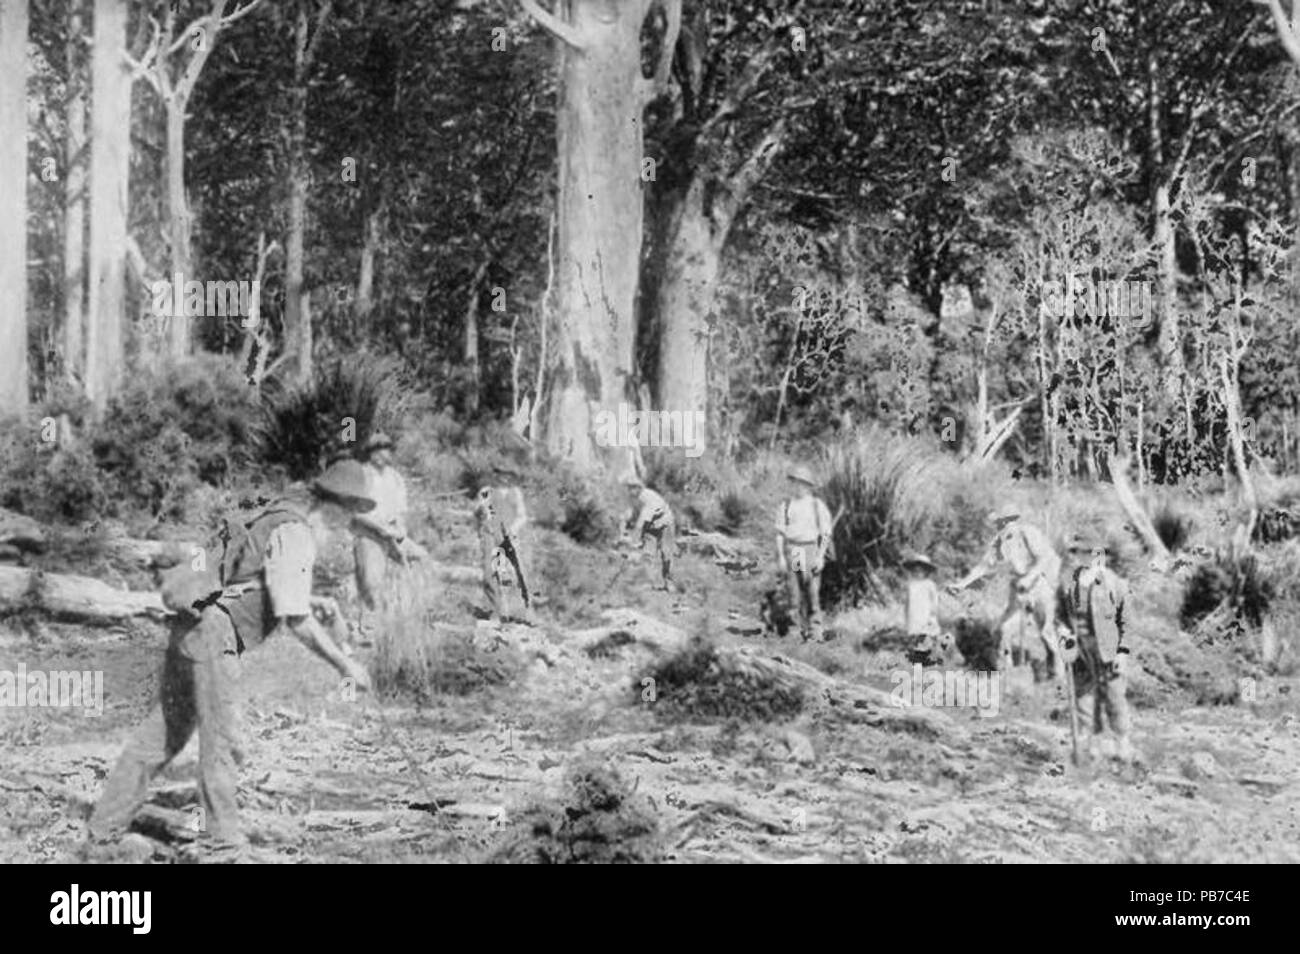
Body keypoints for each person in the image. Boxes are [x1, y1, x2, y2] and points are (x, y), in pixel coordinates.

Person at [86, 460, 375, 861]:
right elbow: (297, 620)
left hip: (192, 626)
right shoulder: (297, 533)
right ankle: (222, 845)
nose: (349, 524)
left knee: (161, 735)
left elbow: (257, 582)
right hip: (214, 636)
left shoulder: (279, 514)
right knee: (221, 742)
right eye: (351, 512)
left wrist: (318, 598)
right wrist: (346, 665)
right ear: (337, 506)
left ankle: (101, 834)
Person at [949, 503, 1063, 679]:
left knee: (1047, 631)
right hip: (1017, 587)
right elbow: (983, 566)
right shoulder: (998, 543)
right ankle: (1006, 671)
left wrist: (1029, 577)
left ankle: (1056, 671)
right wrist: (962, 584)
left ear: (1013, 520)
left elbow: (1045, 558)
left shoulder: (1027, 533)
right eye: (1000, 522)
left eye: (1006, 521)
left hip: (1040, 585)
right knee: (1004, 628)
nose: (1003, 525)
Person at [1057, 533, 1137, 763]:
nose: (1084, 557)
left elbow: (1127, 622)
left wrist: (1123, 652)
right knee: (1084, 695)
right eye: (1079, 552)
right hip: (1081, 649)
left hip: (1108, 650)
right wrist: (1063, 632)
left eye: (1091, 553)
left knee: (1114, 696)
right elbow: (1060, 616)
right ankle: (1091, 743)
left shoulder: (1114, 583)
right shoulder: (1068, 583)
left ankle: (1122, 743)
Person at [352, 432, 422, 616]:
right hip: (368, 534)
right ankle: (369, 627)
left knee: (421, 558)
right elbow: (355, 513)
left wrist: (401, 530)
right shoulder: (360, 475)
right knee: (372, 583)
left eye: (386, 451)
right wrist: (380, 528)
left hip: (392, 534)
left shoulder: (395, 478)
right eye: (378, 451)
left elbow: (400, 511)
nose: (383, 455)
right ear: (371, 453)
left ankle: (406, 610)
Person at [775, 465, 833, 641]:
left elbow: (825, 533)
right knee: (794, 591)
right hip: (794, 550)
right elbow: (780, 533)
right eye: (795, 482)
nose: (798, 486)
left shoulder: (817, 505)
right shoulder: (786, 505)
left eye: (802, 483)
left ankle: (815, 631)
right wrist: (781, 557)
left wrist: (820, 556)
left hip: (810, 549)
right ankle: (795, 630)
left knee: (812, 591)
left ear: (808, 485)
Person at [474, 483, 531, 621]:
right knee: (490, 572)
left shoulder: (515, 492)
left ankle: (523, 613)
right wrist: (482, 511)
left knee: (518, 573)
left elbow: (522, 516)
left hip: (510, 535)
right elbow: (479, 512)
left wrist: (513, 529)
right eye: (498, 473)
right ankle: (496, 611)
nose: (502, 478)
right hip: (490, 535)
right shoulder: (486, 491)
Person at [621, 475, 677, 592]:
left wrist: (633, 544)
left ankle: (669, 582)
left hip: (664, 523)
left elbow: (640, 523)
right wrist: (623, 529)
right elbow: (628, 514)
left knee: (666, 553)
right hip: (651, 525)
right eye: (629, 488)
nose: (631, 490)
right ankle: (648, 582)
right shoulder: (633, 498)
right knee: (648, 554)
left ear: (639, 487)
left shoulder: (647, 497)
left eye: (633, 487)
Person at [903, 552, 945, 663]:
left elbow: (934, 600)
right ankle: (917, 658)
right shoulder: (911, 585)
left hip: (926, 614)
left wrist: (933, 613)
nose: (918, 573)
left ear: (926, 572)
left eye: (920, 571)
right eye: (915, 571)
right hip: (914, 615)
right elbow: (907, 602)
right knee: (916, 637)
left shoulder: (929, 584)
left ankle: (932, 658)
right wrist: (906, 617)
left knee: (928, 636)